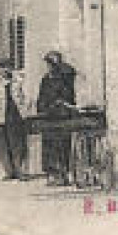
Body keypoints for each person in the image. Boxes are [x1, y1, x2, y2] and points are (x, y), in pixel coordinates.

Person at [36, 50, 79, 185]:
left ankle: (63, 174)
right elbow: (41, 97)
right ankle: (51, 174)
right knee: (48, 146)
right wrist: (42, 107)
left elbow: (69, 96)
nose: (49, 67)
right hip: (48, 116)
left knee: (63, 145)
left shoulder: (64, 79)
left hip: (62, 116)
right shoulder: (45, 79)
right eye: (48, 64)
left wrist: (60, 102)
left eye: (51, 64)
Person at [0, 58, 30, 180]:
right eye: (3, 67)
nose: (5, 70)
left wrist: (26, 110)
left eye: (8, 67)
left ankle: (19, 170)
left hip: (15, 114)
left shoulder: (18, 81)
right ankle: (9, 171)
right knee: (3, 145)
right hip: (1, 115)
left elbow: (25, 96)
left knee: (17, 144)